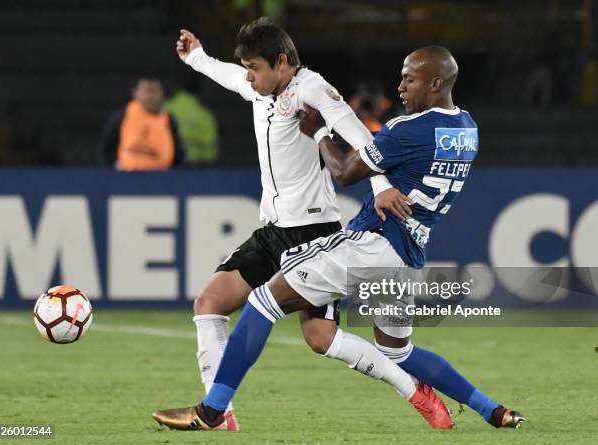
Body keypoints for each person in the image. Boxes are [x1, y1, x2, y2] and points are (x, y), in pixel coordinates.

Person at [162, 45, 526, 431]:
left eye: (409, 78)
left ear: (435, 83)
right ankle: (493, 410)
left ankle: (213, 411)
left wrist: (318, 131)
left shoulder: (408, 129)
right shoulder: (468, 128)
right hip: (407, 253)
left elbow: (344, 171)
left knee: (264, 302)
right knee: (396, 349)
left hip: (372, 240)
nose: (400, 86)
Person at [99, 78, 184, 170]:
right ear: (135, 93)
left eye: (154, 91)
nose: (150, 96)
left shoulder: (169, 120)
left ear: (162, 94)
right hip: (126, 175)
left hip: (160, 178)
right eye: (146, 91)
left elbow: (178, 153)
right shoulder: (122, 116)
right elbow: (106, 147)